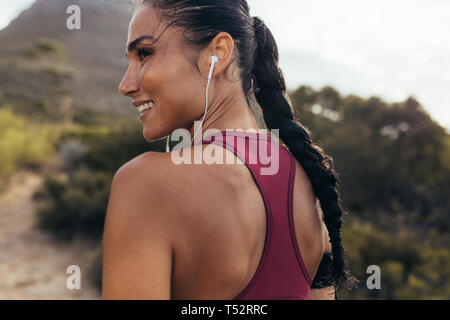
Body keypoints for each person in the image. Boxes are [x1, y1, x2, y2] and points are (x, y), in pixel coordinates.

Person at [102, 0, 354, 300]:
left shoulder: (145, 184)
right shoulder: (309, 180)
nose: (125, 84)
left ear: (218, 53)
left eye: (144, 53)